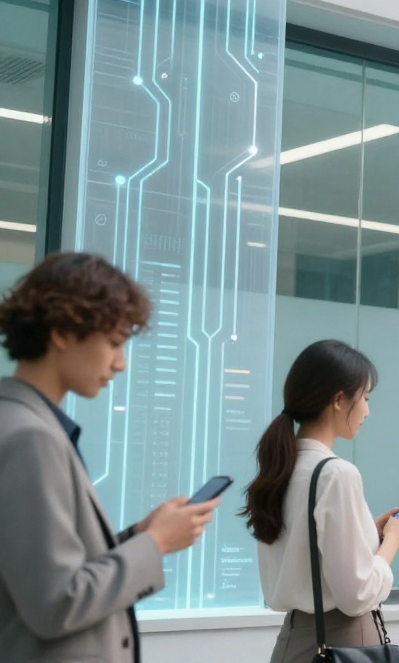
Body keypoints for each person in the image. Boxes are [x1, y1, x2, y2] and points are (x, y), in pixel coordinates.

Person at [0, 252, 219, 662]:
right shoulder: (31, 437)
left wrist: (138, 535)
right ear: (63, 331)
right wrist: (156, 542)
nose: (120, 363)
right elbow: (56, 602)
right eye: (115, 343)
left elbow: (46, 572)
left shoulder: (21, 423)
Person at [244, 340, 399, 663]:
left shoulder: (281, 467)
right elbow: (357, 594)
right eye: (365, 398)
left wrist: (370, 535)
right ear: (339, 400)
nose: (367, 410)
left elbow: (306, 555)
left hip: (291, 643)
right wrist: (393, 541)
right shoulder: (336, 474)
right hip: (345, 643)